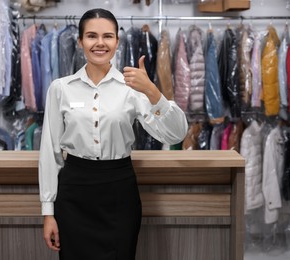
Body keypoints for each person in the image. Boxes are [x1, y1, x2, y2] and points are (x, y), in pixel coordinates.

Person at [38, 8, 188, 260]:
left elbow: (176, 134)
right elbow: (49, 154)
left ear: (117, 42)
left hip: (119, 191)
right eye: (91, 36)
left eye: (107, 36)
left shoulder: (134, 88)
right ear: (80, 42)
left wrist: (153, 91)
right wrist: (48, 212)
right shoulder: (60, 89)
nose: (100, 43)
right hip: (74, 193)